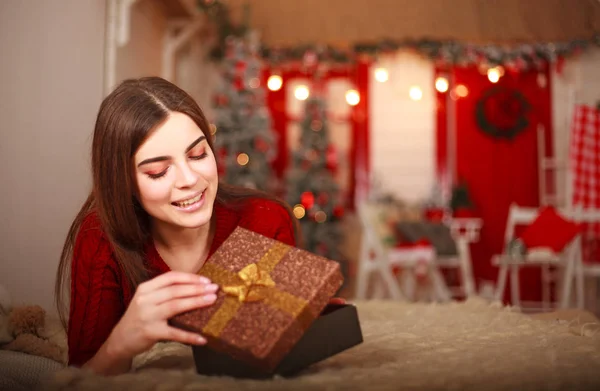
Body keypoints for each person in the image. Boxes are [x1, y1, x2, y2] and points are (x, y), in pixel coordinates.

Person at [55, 77, 343, 376]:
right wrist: (121, 343)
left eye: (197, 155)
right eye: (158, 171)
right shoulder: (100, 237)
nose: (189, 179)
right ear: (123, 182)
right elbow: (79, 379)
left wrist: (303, 326)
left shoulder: (264, 219)